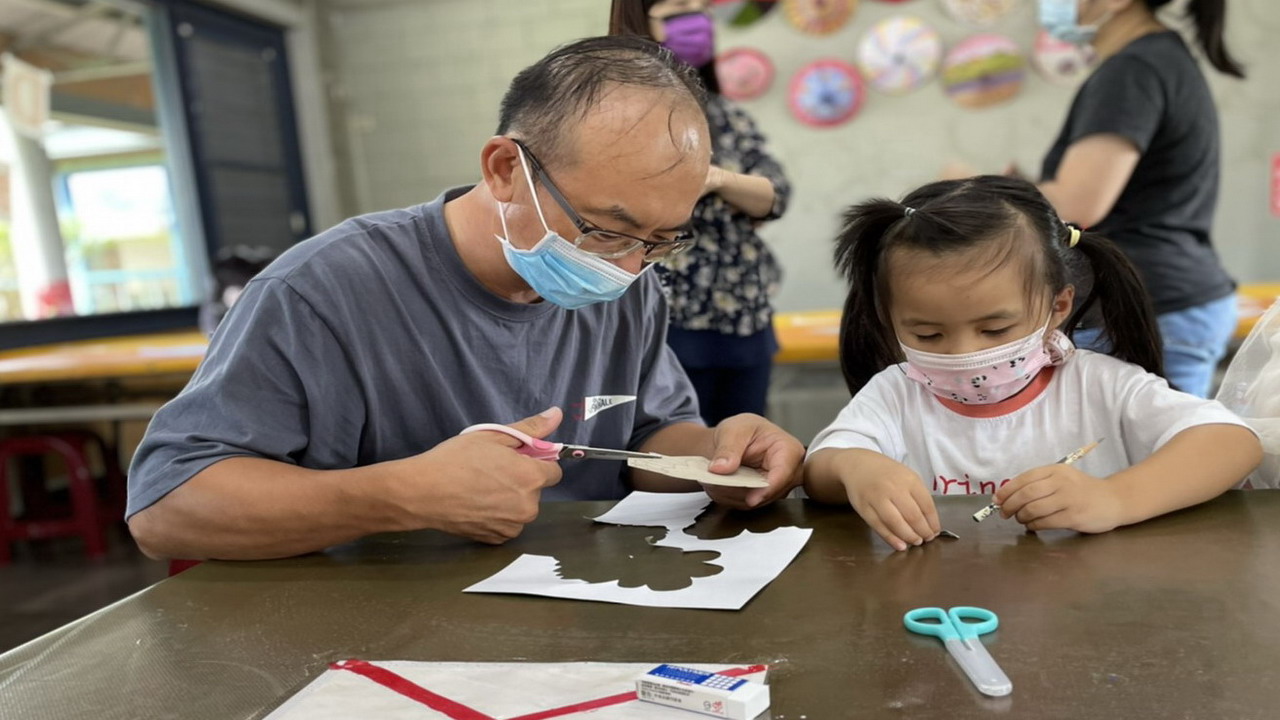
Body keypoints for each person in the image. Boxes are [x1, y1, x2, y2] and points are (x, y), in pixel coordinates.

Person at [126, 36, 805, 562]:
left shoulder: (630, 287)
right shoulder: (320, 293)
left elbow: (643, 434)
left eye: (660, 241)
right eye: (607, 230)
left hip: (583, 601)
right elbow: (166, 509)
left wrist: (718, 454)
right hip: (373, 635)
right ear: (506, 169)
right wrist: (399, 497)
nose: (628, 267)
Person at [802, 176, 1261, 552]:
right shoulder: (895, 392)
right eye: (928, 334)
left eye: (995, 330)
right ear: (888, 318)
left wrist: (1115, 498)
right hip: (940, 610)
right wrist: (857, 468)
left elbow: (1232, 443)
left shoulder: (1098, 385)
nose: (965, 353)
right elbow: (821, 469)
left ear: (1058, 307)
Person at [1033, 0, 1244, 397]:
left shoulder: (1134, 70)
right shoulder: (1159, 59)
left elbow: (1078, 203)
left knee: (1150, 454)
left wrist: (982, 188)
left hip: (1146, 303)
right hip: (1169, 297)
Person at [609, 0, 791, 424]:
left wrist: (717, 179)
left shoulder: (724, 114)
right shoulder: (624, 114)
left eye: (698, 7)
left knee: (745, 444)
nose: (694, 20)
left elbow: (774, 195)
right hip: (672, 313)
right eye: (677, 8)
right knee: (677, 445)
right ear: (642, 22)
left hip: (744, 311)